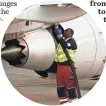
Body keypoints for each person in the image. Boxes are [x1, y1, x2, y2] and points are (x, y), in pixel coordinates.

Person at [54, 24, 78, 104]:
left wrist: (59, 33)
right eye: (64, 30)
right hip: (60, 66)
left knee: (70, 84)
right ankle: (63, 101)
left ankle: (73, 100)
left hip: (67, 66)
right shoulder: (62, 41)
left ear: (70, 34)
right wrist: (56, 27)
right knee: (60, 85)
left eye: (66, 31)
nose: (64, 31)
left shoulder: (72, 41)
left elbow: (66, 45)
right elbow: (59, 37)